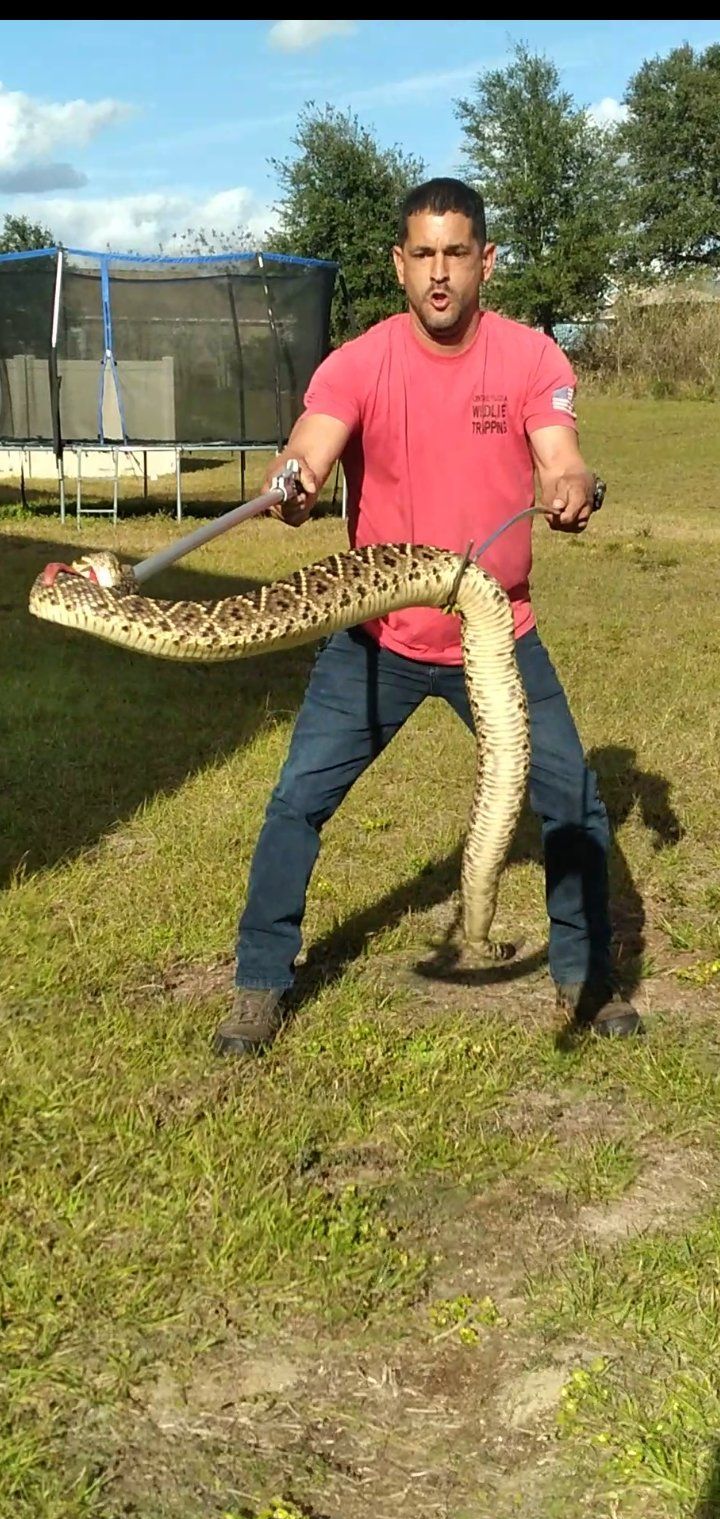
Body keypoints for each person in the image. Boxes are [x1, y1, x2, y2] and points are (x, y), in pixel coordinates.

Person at [214, 176, 644, 1057]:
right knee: (299, 798)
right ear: (399, 264)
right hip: (381, 636)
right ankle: (260, 984)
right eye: (423, 255)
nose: (439, 274)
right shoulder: (362, 360)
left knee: (572, 802)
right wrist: (293, 482)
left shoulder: (530, 358)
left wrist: (569, 486)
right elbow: (312, 450)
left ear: (485, 261)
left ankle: (588, 979)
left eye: (457, 254)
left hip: (498, 630)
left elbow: (561, 457)